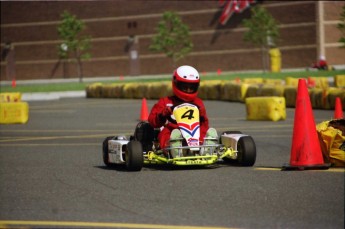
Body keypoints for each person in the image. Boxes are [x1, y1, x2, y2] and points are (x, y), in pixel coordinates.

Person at [148, 65, 217, 157]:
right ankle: (172, 148)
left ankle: (204, 147)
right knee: (166, 131)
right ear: (176, 84)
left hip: (193, 131)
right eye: (184, 87)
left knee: (202, 129)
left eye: (191, 88)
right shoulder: (166, 102)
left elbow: (204, 123)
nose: (188, 90)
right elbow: (152, 121)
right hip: (173, 129)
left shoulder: (198, 103)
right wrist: (163, 114)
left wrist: (202, 116)